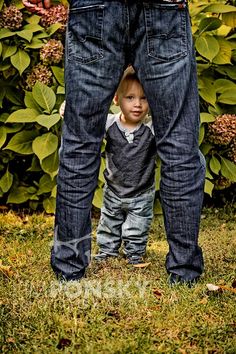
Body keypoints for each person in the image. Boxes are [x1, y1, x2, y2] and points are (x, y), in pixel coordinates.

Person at [22, 0, 206, 285]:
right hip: (163, 7)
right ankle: (184, 271)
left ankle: (69, 268)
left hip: (95, 5)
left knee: (80, 143)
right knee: (179, 144)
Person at [94, 67, 156, 265]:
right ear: (116, 99)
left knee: (138, 226)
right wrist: (66, 110)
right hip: (113, 189)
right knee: (108, 222)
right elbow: (86, 121)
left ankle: (134, 253)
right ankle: (106, 251)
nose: (137, 104)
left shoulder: (152, 128)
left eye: (144, 98)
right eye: (130, 97)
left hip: (142, 192)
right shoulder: (109, 123)